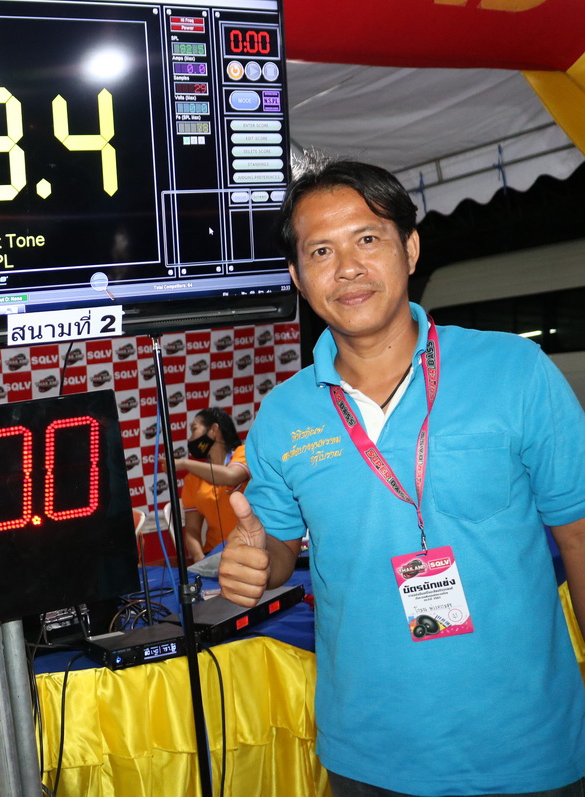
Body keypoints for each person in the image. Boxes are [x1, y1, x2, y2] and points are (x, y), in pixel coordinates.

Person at [218, 158, 585, 796]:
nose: (348, 267)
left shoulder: (515, 370)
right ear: (298, 277)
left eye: (367, 238)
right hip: (369, 754)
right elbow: (276, 546)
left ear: (409, 249)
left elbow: (578, 536)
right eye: (321, 251)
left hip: (528, 744)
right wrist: (256, 559)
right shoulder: (283, 414)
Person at [172, 407, 250, 557]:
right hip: (213, 554)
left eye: (194, 429)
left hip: (249, 549)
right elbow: (192, 531)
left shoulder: (244, 453)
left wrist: (185, 463)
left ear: (214, 430)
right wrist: (199, 559)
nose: (190, 439)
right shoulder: (192, 480)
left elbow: (232, 476)